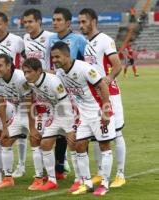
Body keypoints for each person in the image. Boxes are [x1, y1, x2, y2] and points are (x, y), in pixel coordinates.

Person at [51, 41, 115, 196]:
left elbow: (103, 86)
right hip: (83, 115)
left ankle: (105, 184)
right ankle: (87, 182)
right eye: (52, 57)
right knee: (79, 145)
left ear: (67, 55)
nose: (54, 60)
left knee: (104, 146)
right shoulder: (60, 73)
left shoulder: (83, 68)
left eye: (57, 57)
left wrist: (106, 110)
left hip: (99, 112)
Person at [78, 8, 126, 188]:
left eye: (84, 22)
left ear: (94, 21)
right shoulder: (86, 43)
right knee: (99, 136)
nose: (81, 25)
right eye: (80, 22)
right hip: (94, 97)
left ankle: (120, 174)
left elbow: (117, 65)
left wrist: (108, 79)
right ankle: (100, 173)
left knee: (117, 133)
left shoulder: (105, 40)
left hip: (110, 94)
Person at [22, 58, 76, 191]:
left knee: (74, 145)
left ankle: (79, 180)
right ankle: (52, 180)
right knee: (45, 144)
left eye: (29, 72)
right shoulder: (30, 83)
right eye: (25, 72)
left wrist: (68, 127)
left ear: (39, 71)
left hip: (68, 112)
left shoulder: (52, 81)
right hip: (54, 114)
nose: (26, 75)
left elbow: (66, 102)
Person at [49, 7, 87, 179]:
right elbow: (47, 63)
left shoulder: (78, 39)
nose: (55, 23)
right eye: (53, 20)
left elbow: (87, 63)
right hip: (57, 92)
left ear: (68, 22)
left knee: (79, 132)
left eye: (58, 20)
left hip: (77, 93)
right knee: (60, 132)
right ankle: (59, 168)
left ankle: (83, 172)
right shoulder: (50, 39)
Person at [0, 12, 27, 178]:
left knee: (22, 130)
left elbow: (27, 58)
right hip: (3, 91)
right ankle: (1, 167)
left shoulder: (17, 40)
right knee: (7, 129)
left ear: (6, 24)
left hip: (18, 88)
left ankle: (22, 165)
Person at [0, 54, 35, 188]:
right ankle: (8, 179)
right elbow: (1, 103)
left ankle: (42, 177)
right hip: (18, 113)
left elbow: (30, 102)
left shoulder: (21, 78)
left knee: (37, 141)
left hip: (35, 112)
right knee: (4, 140)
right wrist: (4, 127)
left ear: (9, 66)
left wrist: (32, 128)